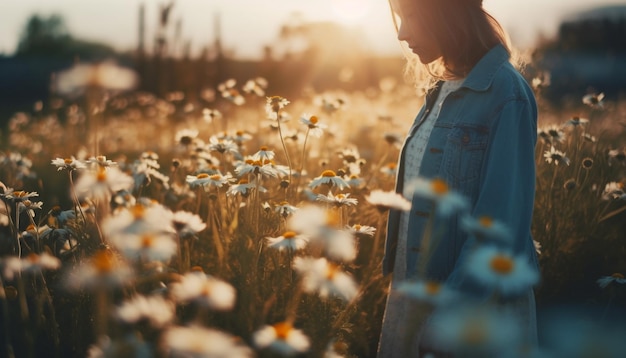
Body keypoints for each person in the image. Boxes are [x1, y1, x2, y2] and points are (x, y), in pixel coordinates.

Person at [377, 0, 540, 356]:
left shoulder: (506, 94)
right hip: (420, 299)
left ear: (448, 12)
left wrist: (452, 314)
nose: (402, 34)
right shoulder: (442, 90)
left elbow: (501, 226)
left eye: (413, 16)